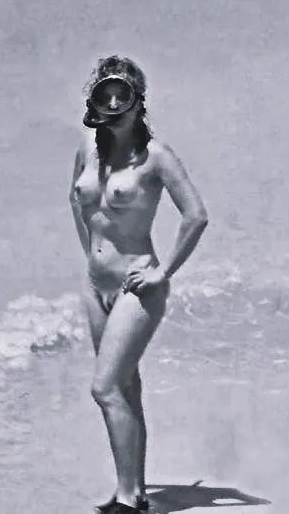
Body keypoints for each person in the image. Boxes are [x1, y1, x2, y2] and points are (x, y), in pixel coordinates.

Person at [69, 55, 210, 514]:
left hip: (138, 288)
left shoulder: (156, 157)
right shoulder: (87, 151)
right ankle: (133, 492)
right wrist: (92, 259)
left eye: (121, 95)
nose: (113, 103)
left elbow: (196, 214)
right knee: (126, 388)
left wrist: (162, 272)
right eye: (104, 94)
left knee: (104, 388)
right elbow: (78, 202)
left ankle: (129, 501)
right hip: (96, 287)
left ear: (137, 101)